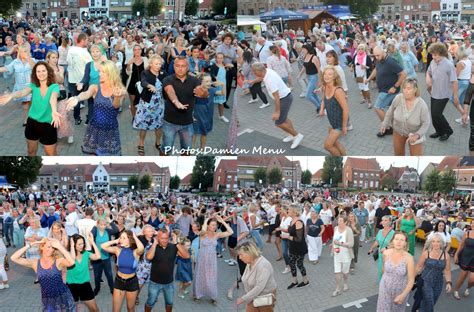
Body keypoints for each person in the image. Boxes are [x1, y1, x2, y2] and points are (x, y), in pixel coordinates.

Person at [0, 61, 61, 155]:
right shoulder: (33, 86)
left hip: (48, 124)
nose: (41, 73)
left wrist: (54, 110)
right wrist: (11, 95)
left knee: (51, 155)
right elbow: (22, 92)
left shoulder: (54, 87)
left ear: (48, 72)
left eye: (43, 71)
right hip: (32, 123)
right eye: (38, 71)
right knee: (31, 152)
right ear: (35, 74)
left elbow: (53, 98)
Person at [66, 60, 126, 155]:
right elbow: (86, 94)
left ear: (111, 73)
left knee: (108, 157)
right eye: (99, 71)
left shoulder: (120, 89)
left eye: (103, 72)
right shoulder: (95, 87)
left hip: (110, 130)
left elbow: (116, 106)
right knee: (93, 154)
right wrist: (77, 98)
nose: (99, 74)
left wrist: (117, 97)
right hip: (95, 128)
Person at [10, 237, 76, 311]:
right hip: (47, 300)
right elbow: (13, 258)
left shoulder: (58, 261)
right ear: (42, 247)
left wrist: (60, 247)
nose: (51, 250)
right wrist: (31, 245)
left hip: (62, 297)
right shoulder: (35, 263)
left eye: (53, 248)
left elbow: (72, 262)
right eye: (48, 247)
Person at [161, 56, 208, 155]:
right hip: (169, 122)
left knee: (186, 152)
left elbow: (204, 93)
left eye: (183, 66)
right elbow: (170, 91)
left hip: (187, 123)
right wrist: (176, 102)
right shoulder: (167, 79)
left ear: (187, 67)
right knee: (165, 151)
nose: (180, 68)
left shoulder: (195, 80)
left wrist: (203, 93)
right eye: (177, 66)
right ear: (174, 66)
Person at [251, 62, 304, 149]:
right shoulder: (266, 71)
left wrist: (277, 112)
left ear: (259, 71)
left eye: (254, 71)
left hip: (284, 99)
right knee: (284, 118)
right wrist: (252, 81)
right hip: (285, 97)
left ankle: (297, 135)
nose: (253, 73)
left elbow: (277, 97)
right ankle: (291, 135)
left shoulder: (270, 79)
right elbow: (261, 78)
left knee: (279, 123)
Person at [380, 78, 431, 155]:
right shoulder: (398, 98)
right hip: (398, 132)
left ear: (415, 90)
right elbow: (390, 111)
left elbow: (426, 123)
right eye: (404, 88)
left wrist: (417, 135)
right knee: (398, 155)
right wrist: (384, 124)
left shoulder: (422, 105)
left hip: (414, 134)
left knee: (416, 158)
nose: (405, 91)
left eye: (409, 88)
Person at [365, 46, 407, 137]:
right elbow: (376, 69)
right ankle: (400, 126)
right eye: (375, 56)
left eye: (378, 55)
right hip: (383, 90)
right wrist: (368, 79)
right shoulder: (379, 60)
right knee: (393, 110)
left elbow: (403, 74)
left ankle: (387, 127)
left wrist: (395, 87)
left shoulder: (391, 61)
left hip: (388, 91)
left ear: (383, 52)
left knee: (378, 107)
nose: (376, 58)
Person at [144, 228, 189, 312]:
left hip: (169, 283)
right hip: (155, 282)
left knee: (169, 302)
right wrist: (154, 244)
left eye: (166, 238)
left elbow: (186, 256)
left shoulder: (173, 247)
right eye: (162, 238)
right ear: (157, 238)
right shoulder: (153, 247)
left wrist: (177, 244)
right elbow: (148, 257)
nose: (165, 240)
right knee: (150, 301)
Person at [100, 230, 145, 312]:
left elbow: (141, 248)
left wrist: (134, 236)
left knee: (130, 308)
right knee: (115, 310)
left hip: (132, 282)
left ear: (130, 239)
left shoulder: (135, 252)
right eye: (121, 238)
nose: (121, 240)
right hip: (119, 281)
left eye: (124, 238)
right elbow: (103, 246)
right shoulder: (118, 250)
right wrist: (116, 240)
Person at [426, 42, 462, 141]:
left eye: (435, 55)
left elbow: (454, 81)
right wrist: (428, 79)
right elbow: (428, 72)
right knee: (433, 114)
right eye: (432, 54)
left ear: (441, 53)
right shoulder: (433, 62)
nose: (433, 57)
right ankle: (439, 131)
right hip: (434, 92)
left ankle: (448, 131)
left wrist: (455, 96)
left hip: (444, 94)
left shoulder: (449, 65)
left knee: (437, 114)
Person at [194, 216, 233, 304]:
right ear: (208, 225)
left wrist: (222, 221)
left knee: (211, 278)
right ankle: (198, 295)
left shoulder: (217, 234)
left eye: (215, 225)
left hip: (212, 260)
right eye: (212, 225)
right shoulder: (203, 233)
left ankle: (213, 296)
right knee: (200, 276)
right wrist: (207, 219)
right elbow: (203, 230)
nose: (214, 227)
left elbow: (231, 232)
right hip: (202, 259)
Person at [133, 55, 165, 155]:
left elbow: (169, 82)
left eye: (160, 64)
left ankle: (158, 143)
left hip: (159, 105)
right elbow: (143, 82)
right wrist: (149, 85)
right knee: (144, 125)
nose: (158, 66)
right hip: (146, 104)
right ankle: (141, 144)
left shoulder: (163, 73)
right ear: (151, 64)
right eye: (156, 64)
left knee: (158, 125)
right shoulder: (145, 73)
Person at [376, 232, 415, 311]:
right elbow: (383, 271)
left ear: (405, 243)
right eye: (396, 239)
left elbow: (411, 280)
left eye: (402, 240)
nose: (398, 242)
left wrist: (403, 295)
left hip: (400, 290)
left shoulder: (409, 258)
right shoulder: (386, 253)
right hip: (385, 288)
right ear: (392, 241)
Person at [414, 233, 452, 312]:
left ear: (441, 243)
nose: (435, 244)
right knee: (429, 301)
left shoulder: (446, 255)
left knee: (431, 301)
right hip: (426, 281)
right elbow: (418, 267)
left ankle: (420, 310)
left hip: (438, 282)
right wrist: (411, 279)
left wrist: (449, 282)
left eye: (438, 241)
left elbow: (447, 270)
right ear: (430, 243)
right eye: (433, 241)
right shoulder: (426, 253)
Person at [235, 241, 277, 312]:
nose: (240, 257)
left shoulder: (263, 266)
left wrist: (243, 298)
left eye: (241, 255)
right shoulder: (250, 262)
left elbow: (259, 287)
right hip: (252, 296)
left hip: (264, 297)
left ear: (250, 253)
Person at [66, 233, 101, 311]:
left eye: (83, 243)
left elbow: (98, 256)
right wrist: (71, 246)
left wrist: (92, 242)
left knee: (95, 309)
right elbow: (72, 260)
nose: (82, 246)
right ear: (74, 245)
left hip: (85, 285)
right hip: (72, 286)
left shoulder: (86, 253)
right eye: (79, 244)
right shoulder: (68, 254)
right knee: (71, 310)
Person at [319, 66, 349, 156]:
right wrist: (321, 109)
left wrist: (344, 126)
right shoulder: (325, 86)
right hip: (331, 121)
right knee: (335, 143)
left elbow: (346, 109)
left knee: (327, 145)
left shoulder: (338, 91)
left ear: (334, 77)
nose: (326, 76)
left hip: (339, 123)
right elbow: (324, 99)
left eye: (330, 74)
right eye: (325, 74)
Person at [67, 33, 92, 125]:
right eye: (87, 40)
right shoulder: (84, 52)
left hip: (72, 79)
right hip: (83, 80)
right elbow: (91, 65)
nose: (88, 42)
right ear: (82, 40)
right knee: (90, 99)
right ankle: (89, 119)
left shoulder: (70, 50)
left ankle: (77, 118)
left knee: (75, 99)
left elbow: (68, 62)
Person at [91, 218, 119, 296]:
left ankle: (112, 289)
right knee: (97, 276)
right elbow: (91, 233)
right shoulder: (95, 231)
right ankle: (97, 289)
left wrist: (110, 222)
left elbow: (116, 230)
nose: (103, 226)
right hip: (97, 258)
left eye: (104, 225)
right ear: (98, 225)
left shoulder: (108, 231)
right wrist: (95, 226)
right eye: (101, 225)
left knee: (109, 275)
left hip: (106, 257)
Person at [77, 44, 104, 125]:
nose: (95, 54)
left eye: (97, 51)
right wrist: (81, 83)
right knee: (91, 109)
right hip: (91, 92)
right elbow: (85, 77)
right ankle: (92, 127)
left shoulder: (106, 64)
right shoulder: (88, 65)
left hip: (103, 92)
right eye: (92, 52)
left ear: (101, 53)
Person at [286, 205, 309, 289]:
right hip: (292, 246)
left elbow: (299, 238)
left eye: (289, 209)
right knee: (291, 263)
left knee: (299, 264)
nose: (287, 210)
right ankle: (294, 281)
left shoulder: (298, 222)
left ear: (294, 211)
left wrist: (287, 237)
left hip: (299, 247)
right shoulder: (292, 220)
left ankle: (306, 281)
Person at [369, 215, 395, 281]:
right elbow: (377, 242)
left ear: (390, 222)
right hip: (381, 254)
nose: (383, 222)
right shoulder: (380, 231)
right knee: (381, 268)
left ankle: (386, 283)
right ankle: (382, 282)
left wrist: (386, 248)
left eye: (385, 220)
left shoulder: (393, 233)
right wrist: (371, 248)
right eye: (382, 220)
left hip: (389, 255)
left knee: (387, 270)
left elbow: (394, 245)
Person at [297, 44, 322, 112]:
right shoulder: (305, 56)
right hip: (308, 77)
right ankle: (320, 105)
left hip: (314, 77)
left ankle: (319, 107)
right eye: (302, 49)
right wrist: (300, 74)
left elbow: (319, 69)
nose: (303, 50)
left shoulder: (314, 57)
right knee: (313, 93)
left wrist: (320, 81)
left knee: (308, 95)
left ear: (308, 49)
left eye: (304, 49)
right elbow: (304, 66)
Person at [453, 219, 474, 300]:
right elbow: (461, 245)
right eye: (472, 224)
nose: (473, 225)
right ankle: (456, 290)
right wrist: (456, 254)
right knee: (463, 275)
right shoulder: (467, 233)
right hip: (466, 256)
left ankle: (468, 288)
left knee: (472, 279)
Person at [126, 44, 148, 118]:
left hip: (143, 84)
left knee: (143, 103)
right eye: (135, 50)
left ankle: (141, 118)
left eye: (139, 49)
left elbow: (148, 71)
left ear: (141, 51)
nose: (137, 51)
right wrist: (128, 64)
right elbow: (128, 73)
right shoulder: (130, 60)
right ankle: (134, 118)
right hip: (132, 84)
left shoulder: (145, 59)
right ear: (133, 51)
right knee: (133, 103)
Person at [351, 43, 373, 109]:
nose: (360, 50)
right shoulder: (355, 56)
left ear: (364, 50)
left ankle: (369, 102)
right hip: (358, 75)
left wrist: (365, 67)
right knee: (361, 88)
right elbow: (353, 64)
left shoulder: (367, 57)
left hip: (365, 75)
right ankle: (364, 99)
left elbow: (371, 67)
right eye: (359, 49)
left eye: (362, 49)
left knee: (366, 88)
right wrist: (352, 68)